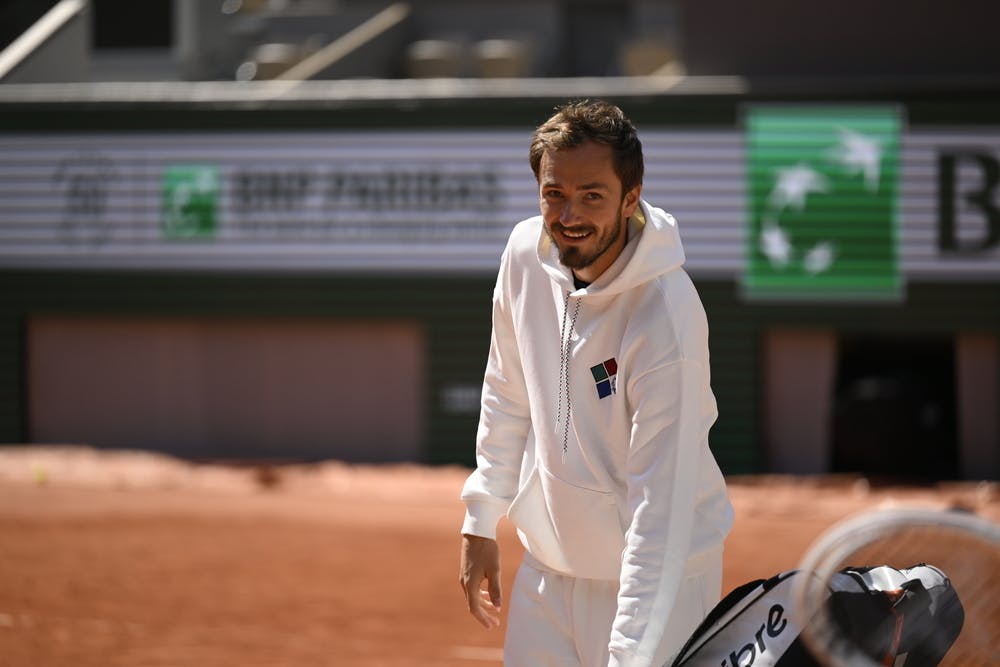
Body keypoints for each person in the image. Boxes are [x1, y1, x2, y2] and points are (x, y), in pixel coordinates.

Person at [458, 99, 734, 667]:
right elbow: (506, 389)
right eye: (554, 193)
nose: (569, 214)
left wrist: (633, 652)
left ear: (631, 198)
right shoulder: (521, 256)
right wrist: (481, 517)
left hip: (662, 580)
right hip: (550, 568)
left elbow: (661, 509)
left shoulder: (666, 318)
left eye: (592, 195)